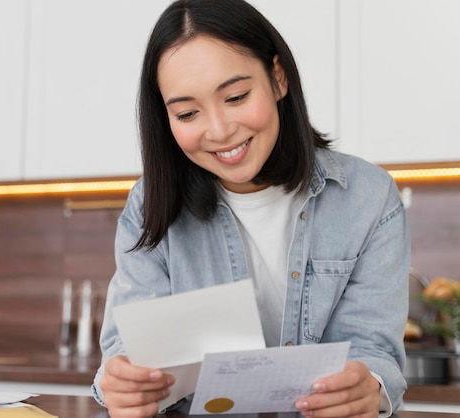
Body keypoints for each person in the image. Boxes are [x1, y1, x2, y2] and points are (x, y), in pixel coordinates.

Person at [92, 0, 410, 417]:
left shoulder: (367, 197)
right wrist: (122, 383)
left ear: (278, 78)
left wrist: (367, 386)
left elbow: (373, 352)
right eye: (187, 113)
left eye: (237, 96)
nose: (220, 131)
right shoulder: (149, 205)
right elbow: (127, 353)